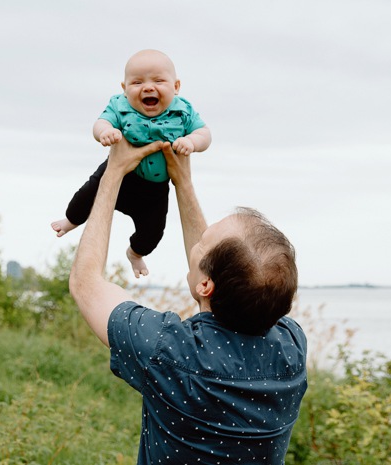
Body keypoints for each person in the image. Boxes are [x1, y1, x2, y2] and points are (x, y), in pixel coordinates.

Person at [68, 138, 308, 465]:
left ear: (207, 285)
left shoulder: (169, 351)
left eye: (203, 243)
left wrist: (112, 172)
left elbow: (86, 284)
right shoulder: (291, 348)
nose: (198, 243)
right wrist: (183, 182)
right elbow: (218, 285)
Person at [52, 49, 212, 278]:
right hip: (120, 174)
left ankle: (135, 253)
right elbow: (100, 123)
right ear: (124, 88)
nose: (148, 87)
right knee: (86, 195)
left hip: (155, 190)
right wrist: (105, 132)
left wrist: (192, 142)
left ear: (176, 87)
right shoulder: (120, 106)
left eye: (158, 81)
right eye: (137, 82)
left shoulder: (183, 111)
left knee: (153, 233)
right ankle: (70, 221)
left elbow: (204, 133)